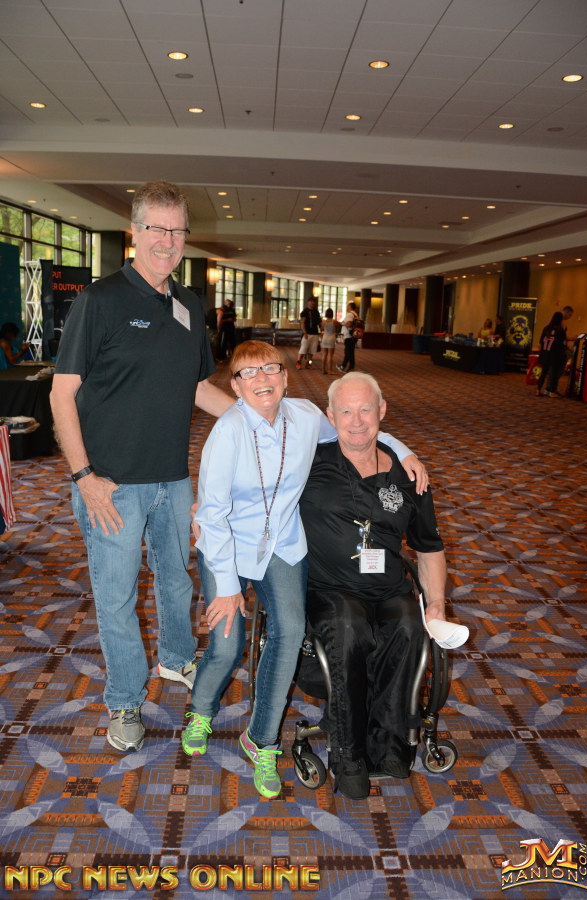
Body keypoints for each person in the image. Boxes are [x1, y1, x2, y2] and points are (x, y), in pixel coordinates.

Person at [181, 341, 428, 799]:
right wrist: (229, 588)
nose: (262, 380)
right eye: (249, 373)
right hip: (227, 545)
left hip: (282, 543)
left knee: (290, 633)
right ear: (235, 386)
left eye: (270, 369)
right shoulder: (228, 431)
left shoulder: (305, 415)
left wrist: (404, 451)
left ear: (285, 376)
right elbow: (212, 517)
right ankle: (201, 709)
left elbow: (357, 431)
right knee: (227, 642)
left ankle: (261, 741)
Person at [50, 180, 233, 754]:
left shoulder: (188, 304)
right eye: (157, 228)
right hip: (111, 484)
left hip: (173, 481)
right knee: (118, 598)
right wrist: (84, 477)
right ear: (135, 233)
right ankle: (126, 699)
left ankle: (177, 659)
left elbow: (198, 387)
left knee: (177, 581)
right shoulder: (100, 299)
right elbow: (61, 393)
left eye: (177, 231)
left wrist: (260, 420)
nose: (167, 241)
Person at [300, 372, 459, 800]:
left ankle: (390, 747)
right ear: (330, 416)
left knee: (409, 627)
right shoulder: (308, 461)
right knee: (349, 629)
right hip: (329, 588)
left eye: (365, 410)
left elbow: (428, 547)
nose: (356, 421)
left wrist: (437, 604)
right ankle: (348, 755)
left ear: (382, 411)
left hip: (388, 588)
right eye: (346, 411)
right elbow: (255, 471)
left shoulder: (409, 475)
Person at [536, 311, 567, 397]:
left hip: (545, 353)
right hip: (554, 355)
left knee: (543, 372)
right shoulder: (560, 330)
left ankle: (538, 390)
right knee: (554, 373)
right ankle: (551, 391)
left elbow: (541, 342)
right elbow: (563, 342)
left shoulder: (546, 328)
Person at [296, 296, 321, 369]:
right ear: (308, 302)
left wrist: (321, 330)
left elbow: (319, 322)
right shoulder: (304, 312)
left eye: (313, 302)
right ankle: (298, 363)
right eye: (311, 301)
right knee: (303, 350)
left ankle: (309, 363)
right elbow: (302, 323)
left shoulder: (316, 312)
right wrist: (305, 333)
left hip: (315, 333)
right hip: (307, 334)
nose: (312, 303)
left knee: (312, 351)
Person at [337, 301, 359, 373]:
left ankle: (348, 367)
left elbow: (349, 324)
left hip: (349, 336)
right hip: (354, 335)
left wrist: (342, 323)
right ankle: (345, 366)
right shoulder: (355, 314)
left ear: (350, 307)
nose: (346, 307)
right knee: (349, 352)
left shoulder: (350, 314)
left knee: (349, 352)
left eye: (347, 306)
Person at [320, 307, 337, 374]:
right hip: (332, 337)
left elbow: (322, 329)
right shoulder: (335, 321)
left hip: (325, 337)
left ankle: (323, 370)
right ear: (332, 314)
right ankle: (330, 370)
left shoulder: (323, 322)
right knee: (330, 355)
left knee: (324, 354)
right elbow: (337, 329)